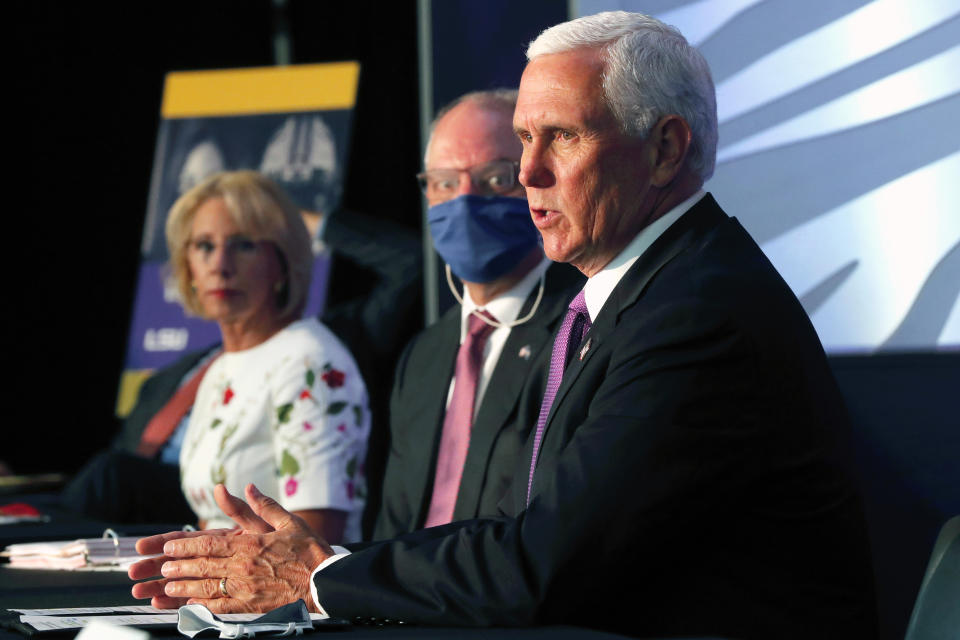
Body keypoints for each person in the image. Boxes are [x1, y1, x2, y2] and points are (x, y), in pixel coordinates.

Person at [129, 12, 877, 638]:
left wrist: (321, 576)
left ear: (665, 150)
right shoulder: (646, 292)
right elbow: (532, 542)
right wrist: (335, 566)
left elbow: (546, 565)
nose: (526, 174)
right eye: (524, 138)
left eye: (562, 137)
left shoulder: (697, 314)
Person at [377, 89, 583, 537]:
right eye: (445, 183)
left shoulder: (582, 328)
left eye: (494, 178)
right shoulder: (424, 354)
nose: (465, 201)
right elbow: (392, 532)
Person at [162, 170, 369, 543]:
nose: (220, 265)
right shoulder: (220, 368)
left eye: (243, 245)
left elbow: (314, 543)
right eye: (204, 246)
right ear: (187, 266)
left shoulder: (310, 360)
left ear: (282, 264)